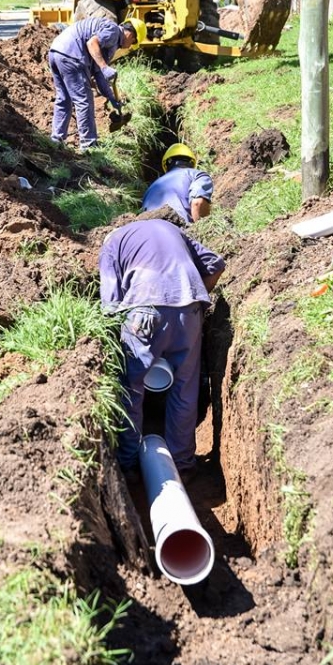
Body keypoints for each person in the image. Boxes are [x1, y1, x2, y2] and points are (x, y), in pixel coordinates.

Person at [99, 218, 225, 482]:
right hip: (189, 305)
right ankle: (183, 464)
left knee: (131, 389)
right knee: (184, 388)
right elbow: (215, 264)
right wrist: (188, 302)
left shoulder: (112, 243)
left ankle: (129, 464)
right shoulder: (172, 229)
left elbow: (109, 306)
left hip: (142, 310)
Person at [49, 16, 145, 150]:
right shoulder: (114, 31)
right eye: (133, 42)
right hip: (72, 56)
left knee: (64, 98)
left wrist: (111, 97)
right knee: (84, 101)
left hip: (56, 52)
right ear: (130, 34)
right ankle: (89, 145)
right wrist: (105, 67)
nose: (130, 46)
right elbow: (92, 43)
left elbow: (99, 74)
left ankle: (56, 140)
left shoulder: (111, 40)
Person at [142, 143, 214, 224]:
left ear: (166, 165)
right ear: (192, 162)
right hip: (177, 227)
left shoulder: (150, 189)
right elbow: (197, 203)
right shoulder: (197, 175)